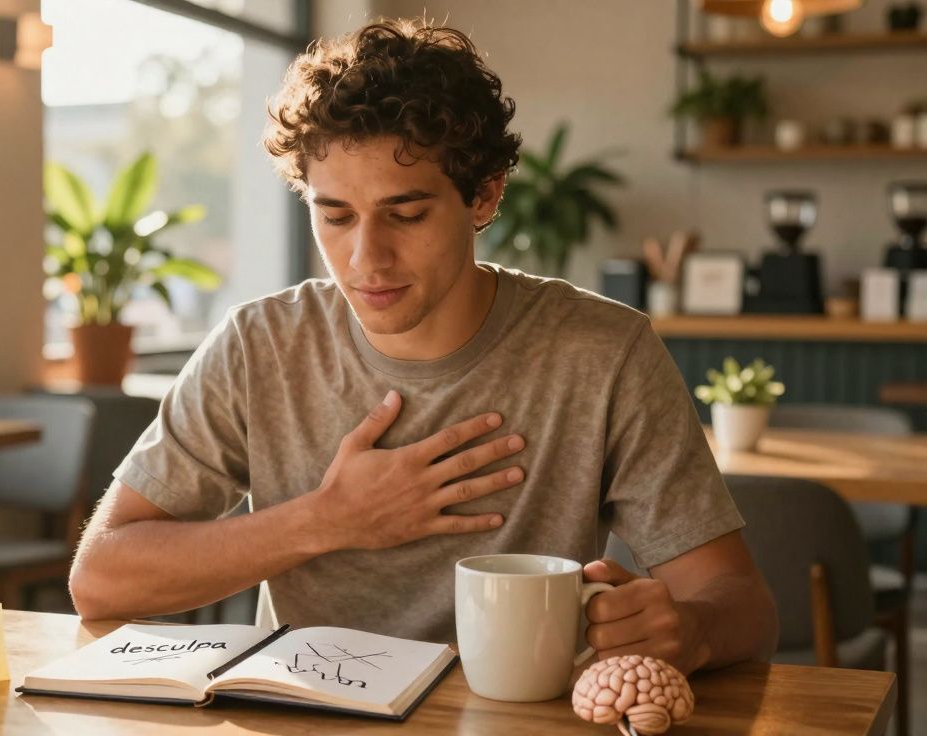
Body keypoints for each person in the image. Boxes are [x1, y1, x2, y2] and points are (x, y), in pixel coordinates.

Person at [69, 18, 777, 675]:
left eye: (404, 213)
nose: (364, 259)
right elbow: (100, 580)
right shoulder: (262, 345)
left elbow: (739, 602)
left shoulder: (603, 353)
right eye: (335, 216)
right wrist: (326, 520)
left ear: (485, 197)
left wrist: (688, 630)